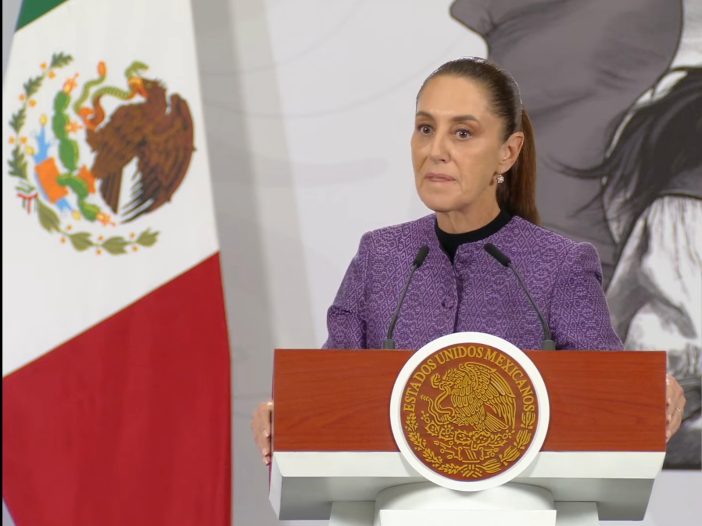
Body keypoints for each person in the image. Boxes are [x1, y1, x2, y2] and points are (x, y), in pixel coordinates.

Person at [251, 57, 686, 465]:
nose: (435, 150)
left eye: (462, 133)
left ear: (508, 152)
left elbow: (609, 397)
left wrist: (656, 394)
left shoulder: (560, 266)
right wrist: (282, 414)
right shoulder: (379, 257)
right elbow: (329, 392)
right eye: (425, 128)